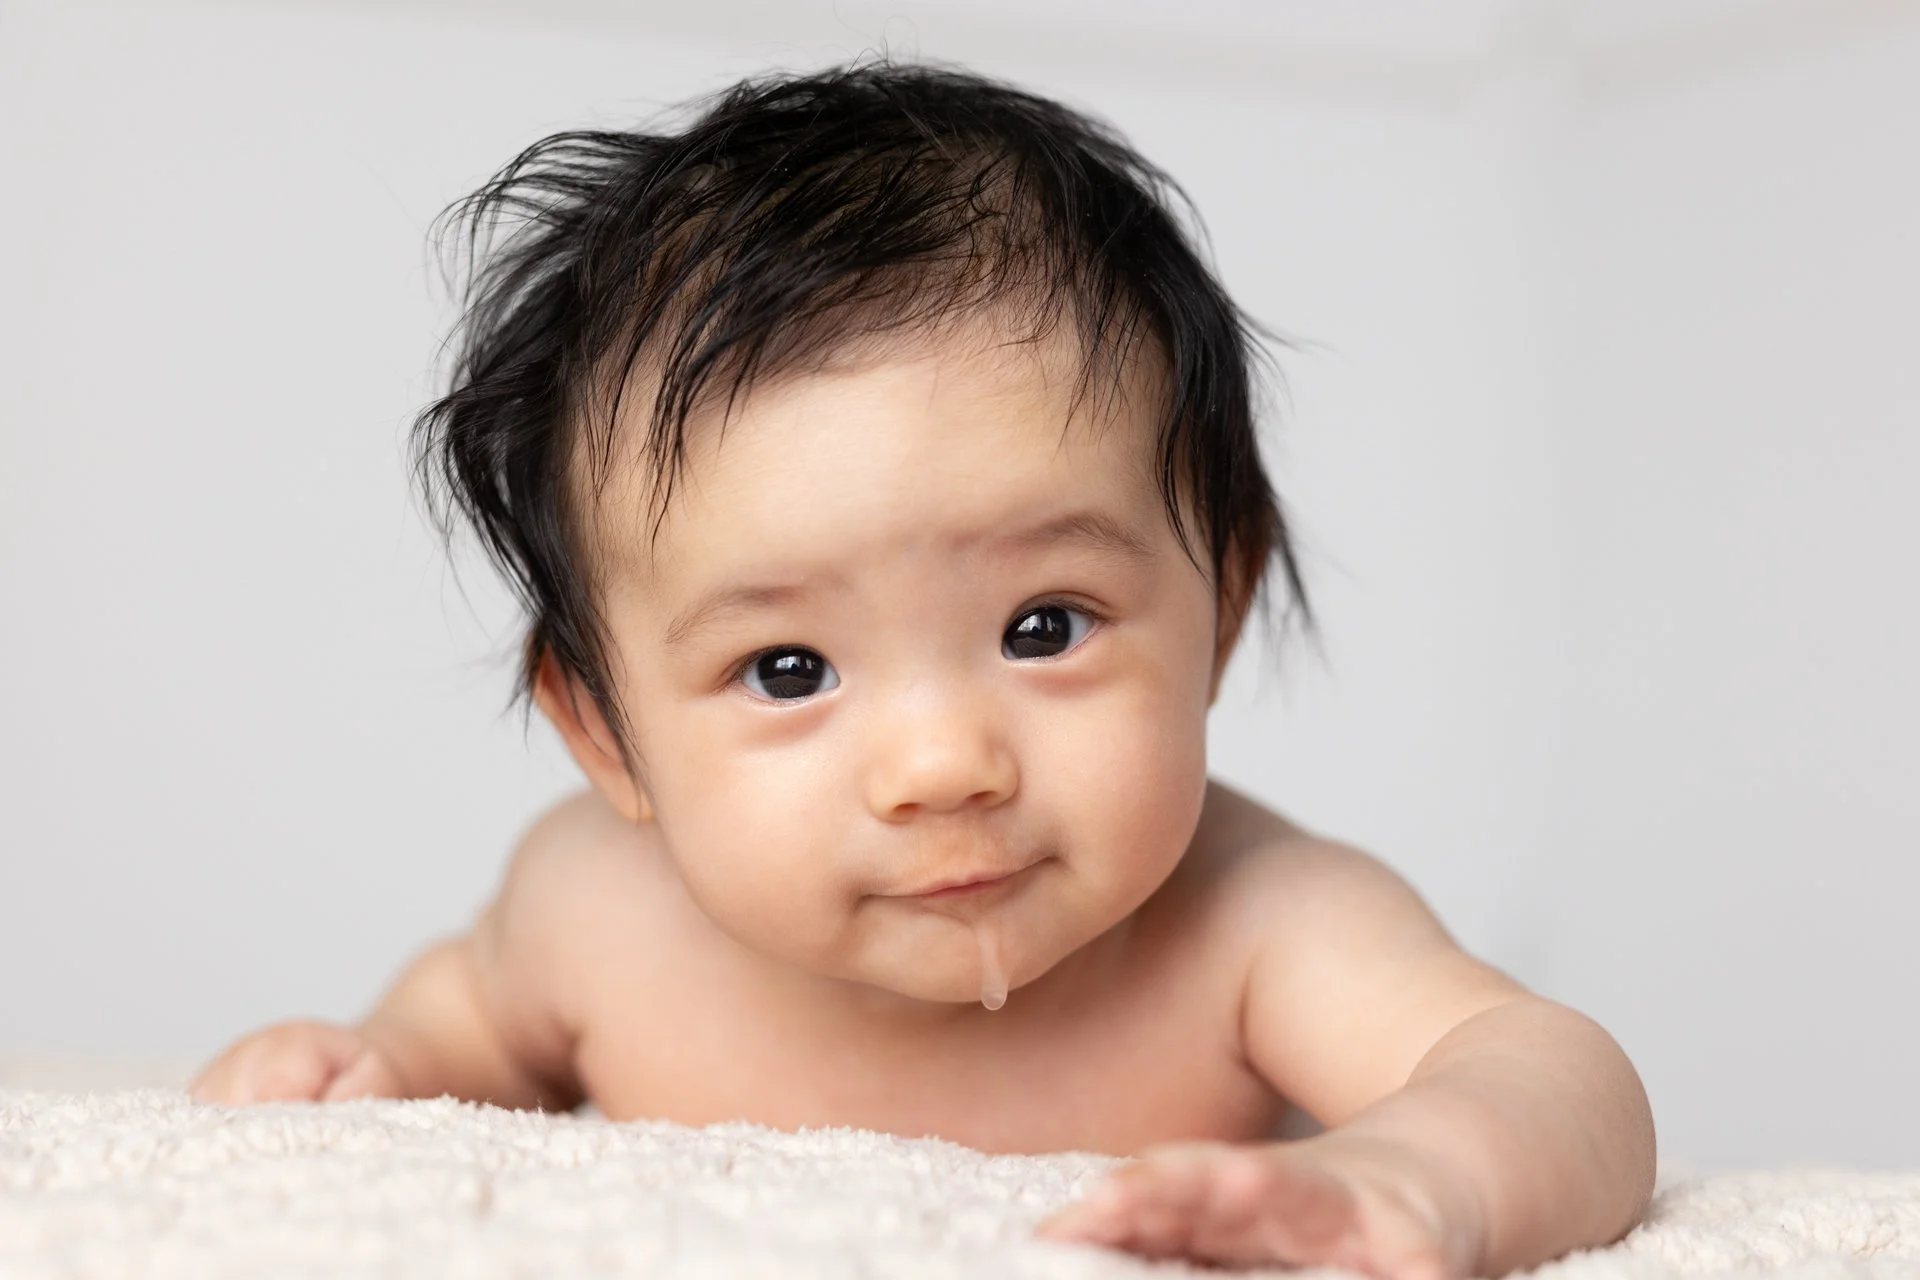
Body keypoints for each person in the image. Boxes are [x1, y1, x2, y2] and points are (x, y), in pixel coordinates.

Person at [189, 61, 1654, 1277]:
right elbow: (463, 1025)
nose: (944, 762)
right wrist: (371, 1061)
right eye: (785, 668)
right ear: (610, 737)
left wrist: (1420, 1182)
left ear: (1224, 602)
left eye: (1044, 628)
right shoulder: (592, 917)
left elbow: (1553, 1077)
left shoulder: (1256, 926)